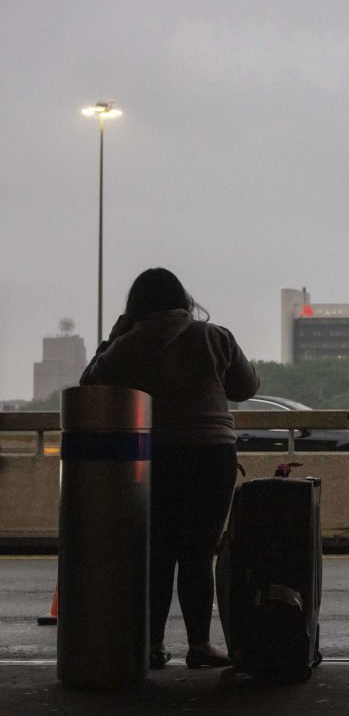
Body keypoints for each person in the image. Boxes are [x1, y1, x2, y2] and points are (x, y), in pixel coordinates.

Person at [80, 268, 259, 670]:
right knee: (199, 553)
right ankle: (200, 645)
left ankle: (152, 645)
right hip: (211, 454)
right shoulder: (214, 337)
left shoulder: (127, 345)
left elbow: (90, 383)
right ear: (184, 299)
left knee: (157, 553)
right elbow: (246, 388)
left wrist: (114, 335)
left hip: (154, 455)